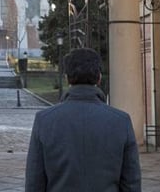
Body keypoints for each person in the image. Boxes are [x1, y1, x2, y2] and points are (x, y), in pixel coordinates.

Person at [25, 48, 141, 191]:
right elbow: (131, 183)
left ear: (67, 78)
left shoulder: (44, 120)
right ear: (99, 77)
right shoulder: (121, 121)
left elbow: (34, 183)